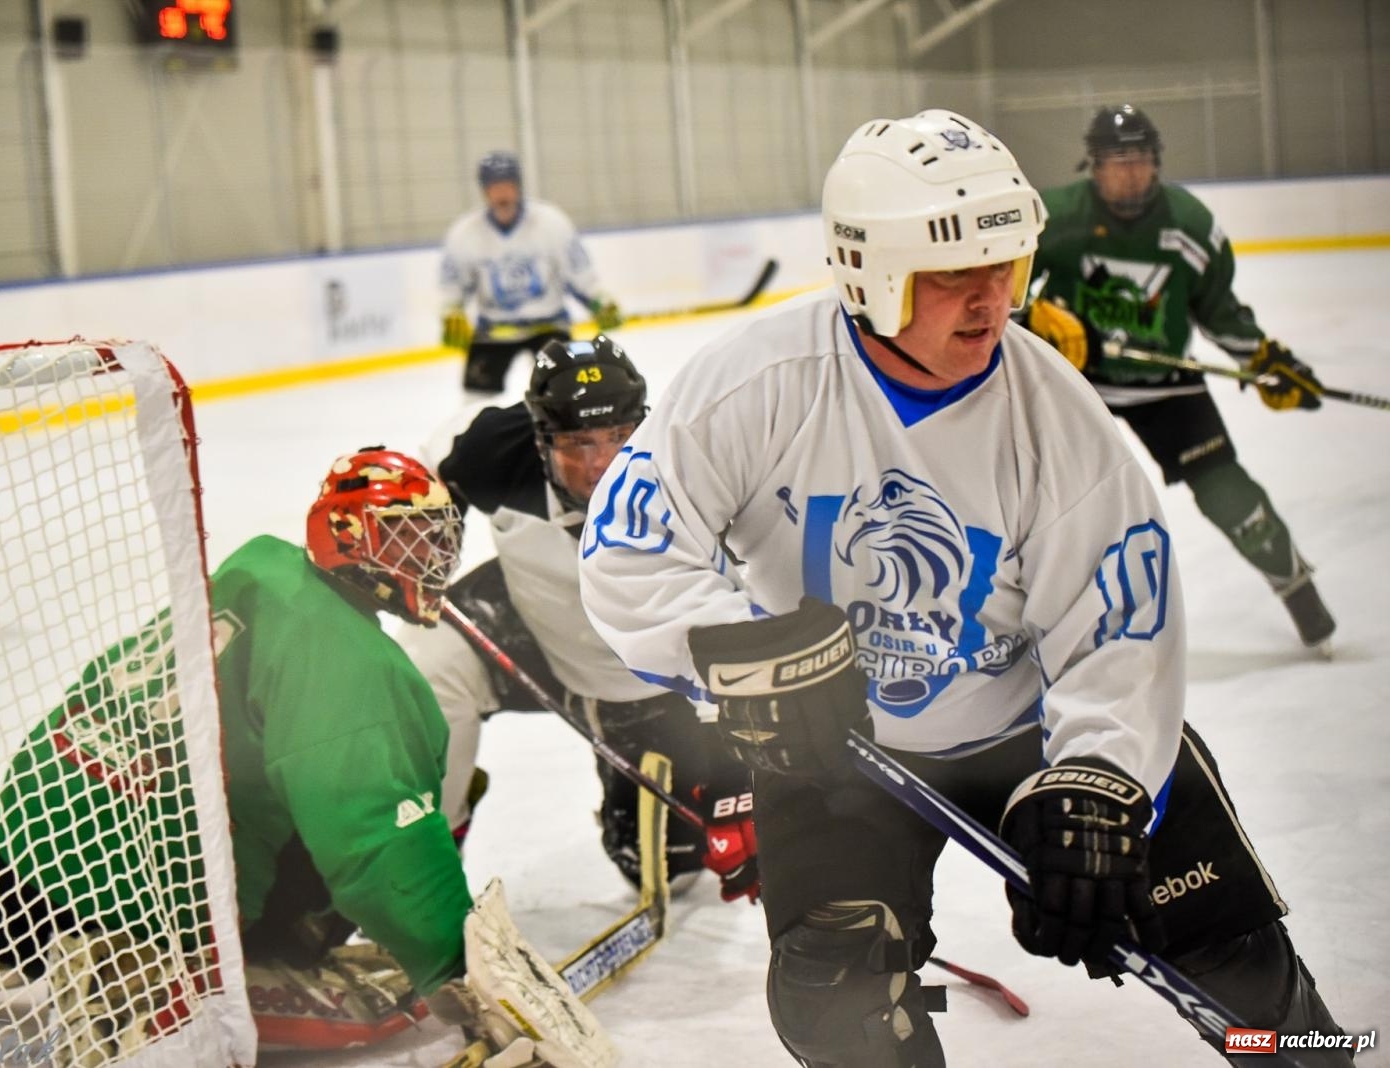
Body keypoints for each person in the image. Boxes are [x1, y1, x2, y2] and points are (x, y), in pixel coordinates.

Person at [578, 109, 1349, 1066]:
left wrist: (1101, 780)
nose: (991, 301)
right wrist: (742, 659)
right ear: (870, 271)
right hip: (834, 747)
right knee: (839, 1000)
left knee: (1231, 955)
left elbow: (1120, 630)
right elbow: (632, 551)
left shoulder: (1061, 422)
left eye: (1006, 267)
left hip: (1028, 731)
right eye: (952, 275)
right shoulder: (753, 385)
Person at [0, 448, 609, 1065]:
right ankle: (128, 960)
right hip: (146, 892)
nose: (429, 561)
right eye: (406, 540)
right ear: (352, 538)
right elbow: (373, 838)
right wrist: (452, 966)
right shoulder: (354, 665)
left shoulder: (261, 569)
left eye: (437, 539)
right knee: (403, 797)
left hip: (35, 816)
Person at [399, 336, 758, 904]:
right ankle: (420, 867)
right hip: (531, 628)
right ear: (540, 440)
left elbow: (741, 629)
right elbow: (415, 477)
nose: (598, 465)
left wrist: (738, 778)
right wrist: (419, 536)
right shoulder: (492, 449)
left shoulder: (693, 477)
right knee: (424, 669)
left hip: (647, 680)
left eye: (618, 439)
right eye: (576, 443)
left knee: (664, 866)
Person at [1025, 104, 1334, 652]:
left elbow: (1219, 309)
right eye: (1116, 162)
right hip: (1078, 385)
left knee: (1226, 491)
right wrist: (1030, 320)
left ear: (1156, 162)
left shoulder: (1189, 226)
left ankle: (1296, 585)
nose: (1129, 173)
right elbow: (1004, 286)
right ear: (1093, 166)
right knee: (1054, 502)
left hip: (1165, 383)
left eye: (1140, 159)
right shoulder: (1055, 218)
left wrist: (1262, 359)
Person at [439, 150, 623, 395]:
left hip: (548, 326)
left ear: (518, 186)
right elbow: (453, 284)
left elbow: (578, 272)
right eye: (494, 186)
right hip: (494, 330)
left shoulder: (551, 222)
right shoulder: (465, 233)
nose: (502, 193)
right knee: (475, 401)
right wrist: (452, 310)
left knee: (569, 392)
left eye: (507, 185)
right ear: (484, 190)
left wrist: (599, 299)